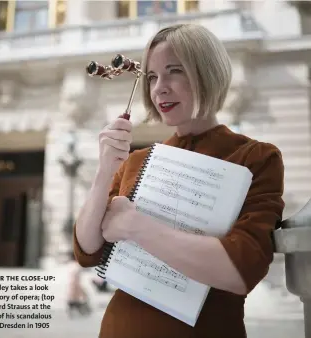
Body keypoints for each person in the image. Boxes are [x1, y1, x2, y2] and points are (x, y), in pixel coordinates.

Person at [73, 23, 285, 338]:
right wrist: (104, 171)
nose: (159, 88)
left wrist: (135, 227)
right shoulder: (137, 160)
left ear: (207, 72)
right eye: (153, 77)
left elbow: (241, 271)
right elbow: (87, 250)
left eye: (175, 71)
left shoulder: (256, 157)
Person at [65, 251, 92, 318]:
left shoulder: (71, 265)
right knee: (81, 299)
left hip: (73, 288)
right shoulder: (76, 266)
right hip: (75, 288)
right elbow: (75, 279)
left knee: (76, 299)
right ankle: (81, 311)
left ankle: (76, 311)